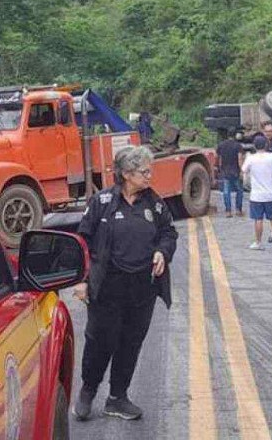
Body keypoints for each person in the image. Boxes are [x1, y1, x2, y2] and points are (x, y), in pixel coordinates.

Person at [73, 145, 178, 421]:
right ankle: (88, 391)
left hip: (142, 289)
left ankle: (118, 397)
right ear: (127, 174)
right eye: (144, 171)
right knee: (100, 342)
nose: (149, 176)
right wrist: (82, 280)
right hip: (107, 288)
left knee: (131, 343)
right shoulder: (103, 202)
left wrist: (162, 252)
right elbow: (83, 242)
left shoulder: (154, 203)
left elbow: (169, 233)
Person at [242, 135, 272, 251]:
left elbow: (243, 170)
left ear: (254, 145)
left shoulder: (251, 158)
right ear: (266, 145)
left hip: (256, 195)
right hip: (270, 194)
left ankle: (258, 242)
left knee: (258, 219)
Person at [216, 130, 245, 217]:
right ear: (235, 135)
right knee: (239, 191)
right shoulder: (238, 146)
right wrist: (242, 171)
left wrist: (220, 168)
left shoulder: (221, 145)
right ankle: (238, 210)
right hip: (235, 171)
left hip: (225, 171)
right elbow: (240, 159)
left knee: (226, 191)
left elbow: (219, 158)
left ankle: (228, 211)